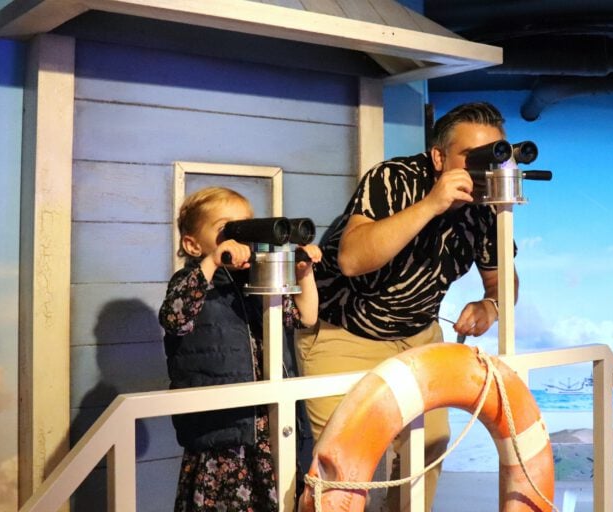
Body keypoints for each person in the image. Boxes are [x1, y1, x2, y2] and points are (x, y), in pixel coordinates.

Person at [297, 102, 519, 510]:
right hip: (345, 332)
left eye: (495, 154)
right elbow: (351, 259)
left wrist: (491, 306)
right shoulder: (394, 178)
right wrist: (433, 204)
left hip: (417, 334)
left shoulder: (487, 204)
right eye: (472, 158)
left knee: (429, 446)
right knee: (340, 466)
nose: (484, 169)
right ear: (439, 157)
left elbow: (502, 279)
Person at [159, 186, 322, 512]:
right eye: (227, 229)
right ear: (192, 244)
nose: (240, 238)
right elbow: (175, 317)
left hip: (266, 424)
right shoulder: (191, 280)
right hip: (220, 433)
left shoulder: (258, 282)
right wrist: (212, 262)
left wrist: (303, 273)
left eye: (246, 226)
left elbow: (305, 316)